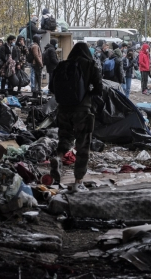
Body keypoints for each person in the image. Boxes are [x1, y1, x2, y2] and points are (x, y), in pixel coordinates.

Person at [50, 42, 103, 192]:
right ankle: (78, 180)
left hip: (63, 110)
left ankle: (58, 158)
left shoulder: (62, 65)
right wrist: (86, 95)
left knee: (64, 138)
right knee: (83, 144)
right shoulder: (90, 65)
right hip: (82, 111)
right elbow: (99, 89)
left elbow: (51, 88)